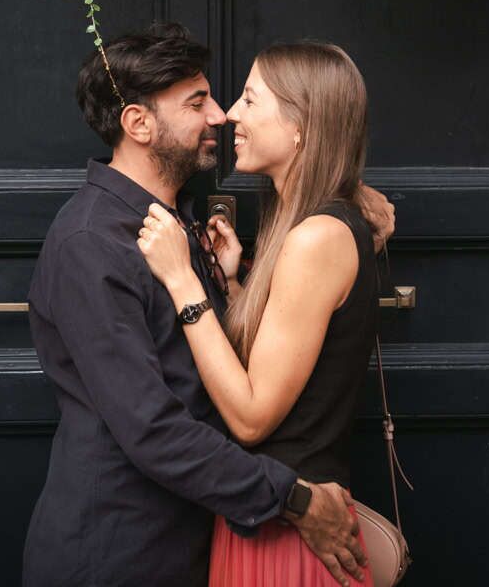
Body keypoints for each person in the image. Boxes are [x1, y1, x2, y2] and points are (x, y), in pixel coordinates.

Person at [23, 23, 395, 587]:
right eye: (198, 103)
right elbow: (153, 429)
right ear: (138, 124)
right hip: (119, 557)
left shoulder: (178, 225)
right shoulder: (91, 243)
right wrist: (292, 499)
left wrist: (345, 196)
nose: (221, 115)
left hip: (195, 544)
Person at [136, 41, 380, 587]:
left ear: (300, 127)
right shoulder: (303, 222)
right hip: (266, 523)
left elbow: (250, 419)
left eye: (250, 99)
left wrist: (183, 281)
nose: (230, 115)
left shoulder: (317, 236)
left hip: (290, 538)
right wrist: (234, 283)